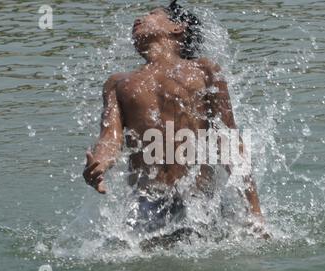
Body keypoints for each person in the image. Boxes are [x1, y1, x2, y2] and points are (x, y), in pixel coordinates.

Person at [83, 1, 262, 233]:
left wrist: (255, 211)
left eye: (152, 13)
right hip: (147, 200)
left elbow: (228, 138)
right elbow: (110, 138)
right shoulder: (118, 83)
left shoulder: (204, 70)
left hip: (199, 199)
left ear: (178, 28)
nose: (140, 17)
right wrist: (99, 164)